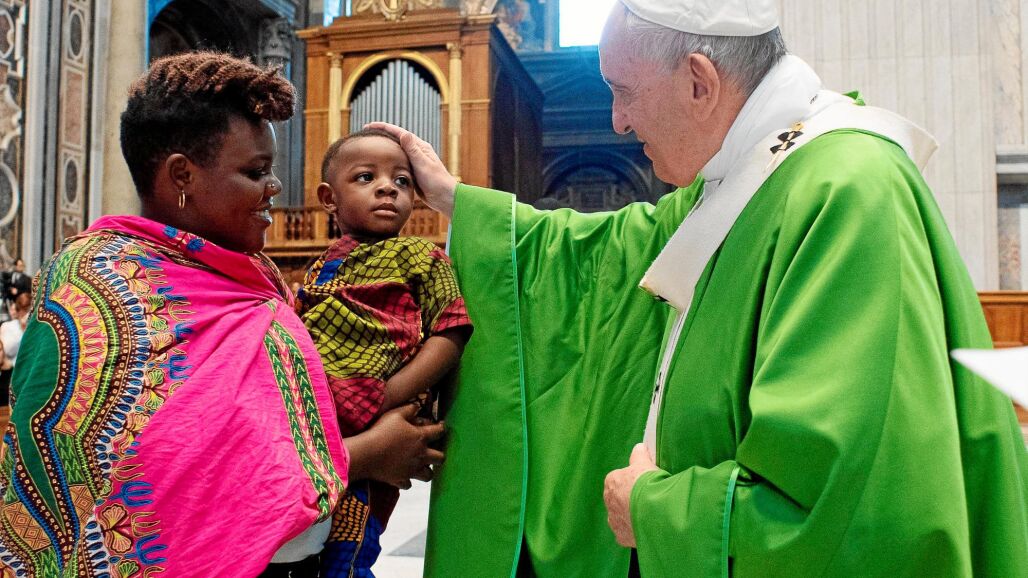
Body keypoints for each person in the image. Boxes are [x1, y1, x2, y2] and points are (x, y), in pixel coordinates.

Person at [369, 0, 1028, 575]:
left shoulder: (846, 190)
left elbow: (852, 504)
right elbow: (602, 253)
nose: (618, 121)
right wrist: (457, 200)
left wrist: (655, 510)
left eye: (623, 91)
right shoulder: (743, 180)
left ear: (699, 81)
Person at [0, 52, 444, 578]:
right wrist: (367, 453)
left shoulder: (255, 275)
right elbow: (159, 471)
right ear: (182, 175)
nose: (274, 186)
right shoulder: (100, 280)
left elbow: (288, 420)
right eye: (255, 172)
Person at [297, 129, 472, 576]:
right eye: (365, 177)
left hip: (378, 420)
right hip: (317, 416)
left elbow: (451, 331)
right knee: (300, 538)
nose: (387, 188)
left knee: (350, 545)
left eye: (402, 181)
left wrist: (389, 395)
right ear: (329, 198)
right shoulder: (321, 266)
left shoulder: (421, 256)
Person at [0, 291, 29, 406]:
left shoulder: (35, 328)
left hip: (26, 375)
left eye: (29, 310)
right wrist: (22, 329)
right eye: (24, 310)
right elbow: (5, 350)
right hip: (9, 373)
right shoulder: (7, 326)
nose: (27, 314)